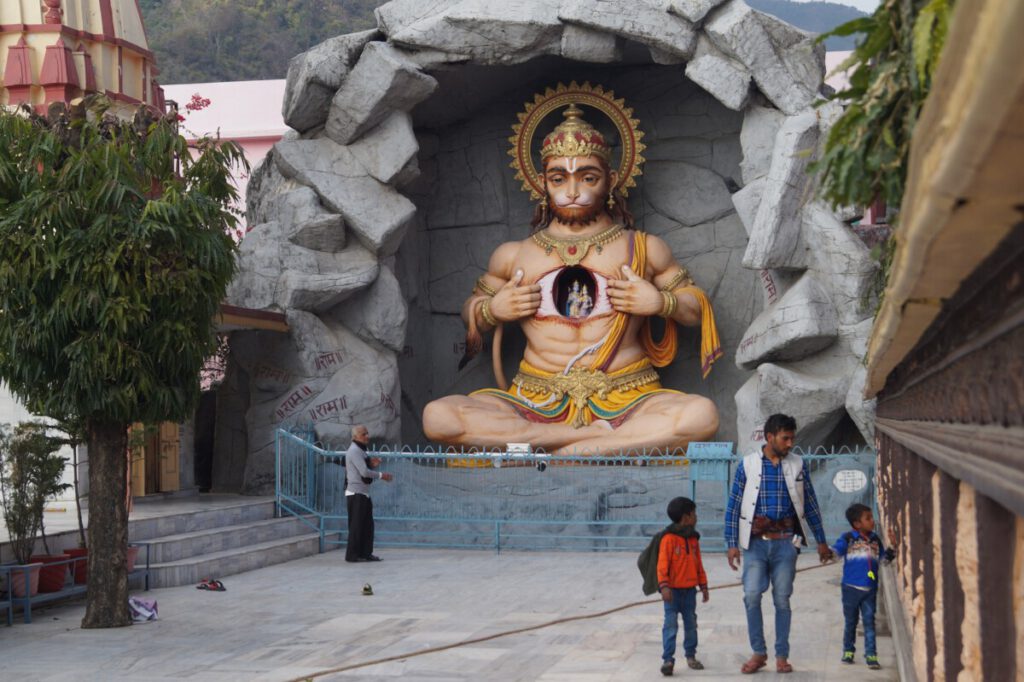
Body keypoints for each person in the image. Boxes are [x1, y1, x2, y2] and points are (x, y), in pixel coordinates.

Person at [422, 92, 724, 454]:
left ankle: (542, 450)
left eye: (588, 177)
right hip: (533, 400)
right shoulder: (515, 254)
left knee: (701, 415)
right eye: (559, 179)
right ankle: (590, 446)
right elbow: (473, 312)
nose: (573, 192)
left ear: (611, 179)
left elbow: (696, 307)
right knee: (438, 417)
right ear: (541, 182)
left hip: (628, 397)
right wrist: (492, 310)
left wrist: (661, 302)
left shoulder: (644, 248)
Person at [724, 413, 831, 674]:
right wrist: (731, 543)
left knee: (782, 599)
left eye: (792, 437)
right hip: (755, 544)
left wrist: (821, 542)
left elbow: (811, 505)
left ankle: (782, 655)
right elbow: (734, 505)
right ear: (770, 437)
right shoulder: (747, 465)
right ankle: (759, 653)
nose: (790, 443)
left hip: (786, 543)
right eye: (785, 438)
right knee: (751, 596)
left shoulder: (797, 465)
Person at [832, 503, 896, 670]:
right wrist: (827, 553)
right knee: (851, 622)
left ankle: (871, 654)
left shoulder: (875, 539)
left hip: (870, 589)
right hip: (850, 589)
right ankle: (848, 650)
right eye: (867, 518)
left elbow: (883, 561)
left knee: (869, 622)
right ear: (857, 524)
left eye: (871, 517)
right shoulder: (848, 539)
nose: (872, 521)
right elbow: (835, 553)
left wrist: (892, 548)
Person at [657, 497, 709, 677]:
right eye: (694, 514)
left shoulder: (693, 539)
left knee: (691, 624)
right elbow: (662, 565)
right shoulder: (668, 539)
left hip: (689, 592)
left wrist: (703, 585)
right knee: (670, 625)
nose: (696, 517)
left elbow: (698, 563)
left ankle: (691, 656)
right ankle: (668, 660)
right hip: (672, 592)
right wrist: (664, 586)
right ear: (686, 517)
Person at [344, 425, 393, 563]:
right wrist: (382, 475)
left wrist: (372, 464)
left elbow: (364, 468)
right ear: (355, 437)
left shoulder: (361, 451)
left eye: (367, 433)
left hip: (363, 493)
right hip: (356, 494)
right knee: (356, 526)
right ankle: (352, 555)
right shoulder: (354, 451)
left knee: (367, 525)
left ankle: (365, 553)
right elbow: (364, 472)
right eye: (363, 434)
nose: (367, 436)